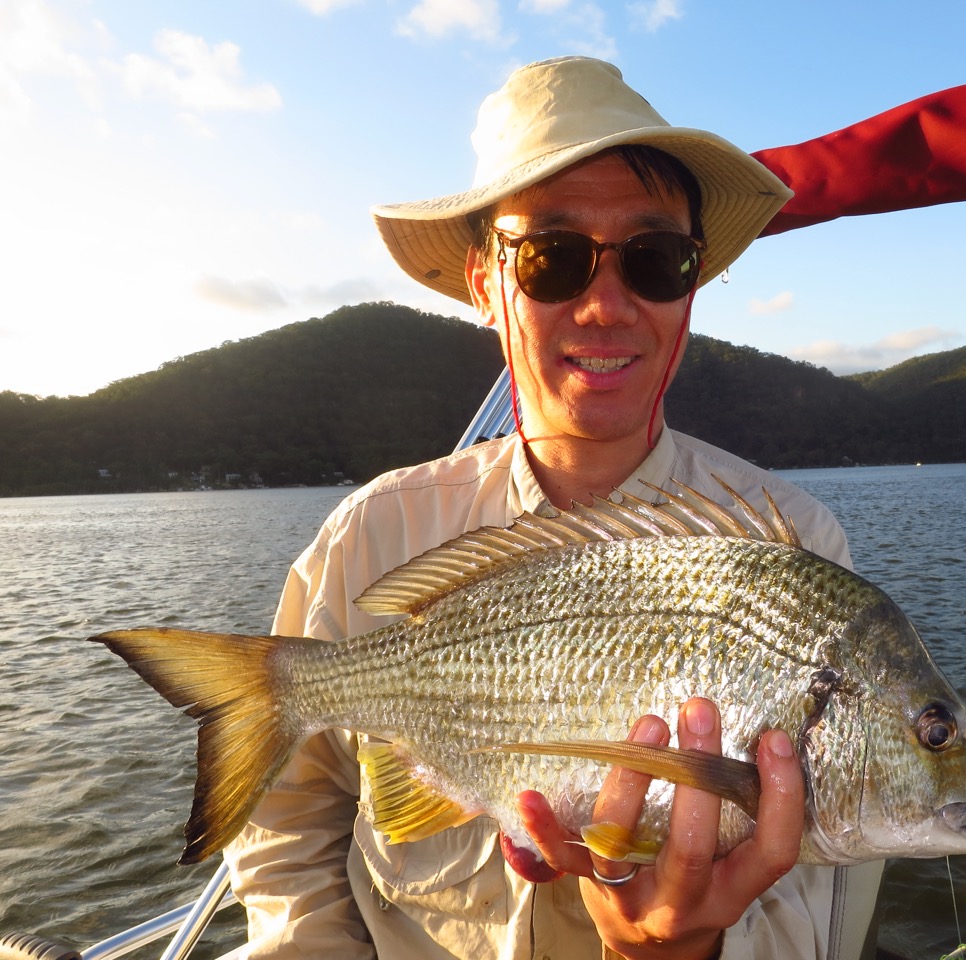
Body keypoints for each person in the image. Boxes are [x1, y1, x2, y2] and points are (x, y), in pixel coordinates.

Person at [224, 56, 883, 960]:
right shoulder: (373, 535)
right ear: (486, 285)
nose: (607, 305)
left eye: (655, 259)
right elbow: (290, 840)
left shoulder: (797, 545)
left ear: (690, 287)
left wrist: (680, 950)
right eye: (552, 258)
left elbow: (817, 905)